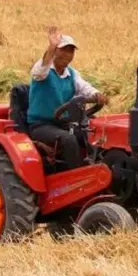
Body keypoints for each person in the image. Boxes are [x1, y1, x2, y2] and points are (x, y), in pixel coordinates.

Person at [27, 26, 108, 170]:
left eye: (71, 50)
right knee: (68, 139)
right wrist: (51, 47)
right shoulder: (43, 71)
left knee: (91, 131)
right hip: (40, 125)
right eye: (64, 49)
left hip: (62, 122)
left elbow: (85, 88)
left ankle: (96, 166)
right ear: (56, 51)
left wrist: (97, 95)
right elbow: (41, 69)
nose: (68, 54)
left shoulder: (72, 74)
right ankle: (77, 178)